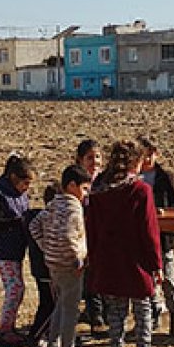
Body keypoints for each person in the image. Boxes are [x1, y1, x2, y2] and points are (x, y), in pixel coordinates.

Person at [86, 140, 164, 347]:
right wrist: (156, 264)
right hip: (136, 261)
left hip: (108, 260)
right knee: (143, 312)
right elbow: (149, 231)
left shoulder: (100, 190)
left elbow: (91, 228)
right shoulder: (140, 191)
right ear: (135, 162)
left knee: (116, 314)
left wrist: (95, 259)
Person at [31, 164, 92, 347]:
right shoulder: (74, 207)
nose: (86, 193)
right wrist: (78, 258)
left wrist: (46, 247)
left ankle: (51, 343)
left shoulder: (53, 204)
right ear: (73, 185)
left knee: (60, 304)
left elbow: (34, 225)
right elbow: (68, 236)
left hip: (53, 263)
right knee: (71, 309)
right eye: (84, 188)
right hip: (70, 266)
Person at [138, 136, 174, 339]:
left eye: (151, 154)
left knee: (168, 278)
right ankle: (152, 315)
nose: (148, 159)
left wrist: (164, 212)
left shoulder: (164, 177)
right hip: (141, 236)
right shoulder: (134, 177)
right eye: (144, 155)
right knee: (146, 279)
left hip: (163, 237)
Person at [0, 153, 34, 347]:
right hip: (4, 249)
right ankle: (5, 330)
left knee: (17, 289)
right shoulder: (0, 196)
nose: (27, 188)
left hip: (15, 249)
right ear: (14, 178)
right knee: (15, 289)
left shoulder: (19, 194)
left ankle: (10, 327)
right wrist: (21, 222)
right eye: (26, 183)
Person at [75, 139, 107, 330]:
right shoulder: (76, 180)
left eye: (97, 157)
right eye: (89, 158)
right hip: (82, 234)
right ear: (80, 160)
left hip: (102, 234)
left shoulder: (104, 180)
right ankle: (94, 314)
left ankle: (100, 314)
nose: (94, 162)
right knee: (87, 275)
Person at [24, 184, 58, 347]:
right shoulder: (46, 220)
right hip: (47, 270)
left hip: (42, 269)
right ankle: (36, 336)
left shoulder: (37, 217)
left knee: (49, 303)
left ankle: (48, 336)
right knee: (51, 305)